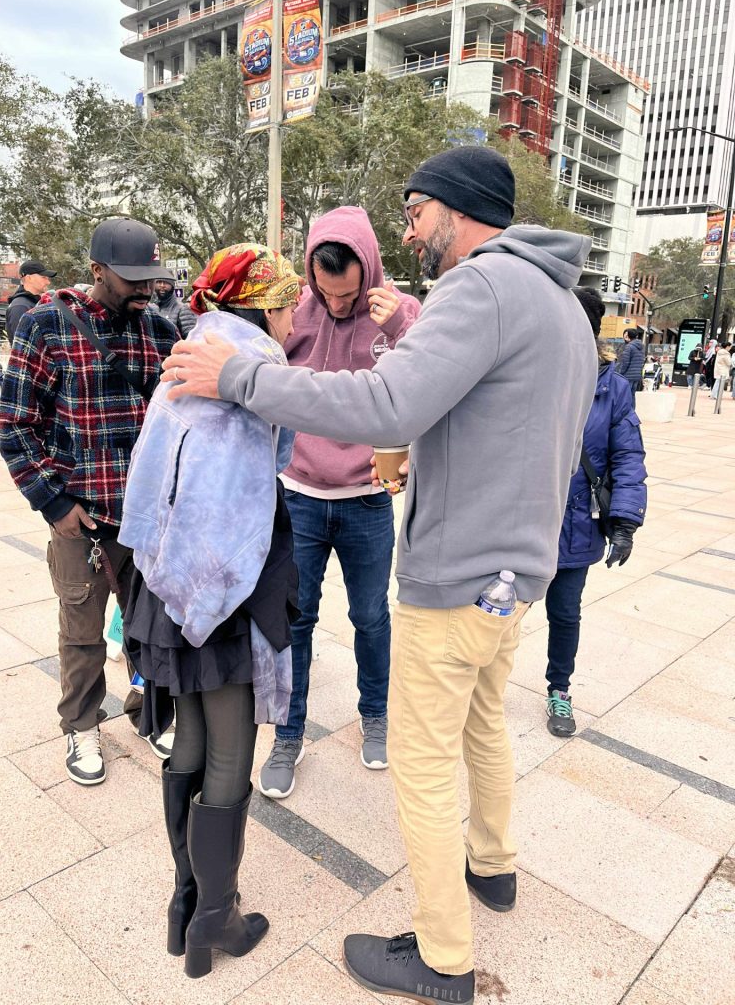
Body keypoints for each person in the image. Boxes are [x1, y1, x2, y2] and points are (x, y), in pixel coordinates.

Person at [158, 145, 597, 1004]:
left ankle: (442, 958)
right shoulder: (558, 300)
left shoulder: (479, 286)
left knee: (422, 761)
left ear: (457, 210)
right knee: (484, 726)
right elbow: (508, 423)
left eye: (416, 210)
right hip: (516, 573)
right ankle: (493, 866)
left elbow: (384, 401)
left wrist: (241, 376)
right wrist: (426, 455)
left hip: (458, 575)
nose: (409, 228)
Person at [118, 245, 301, 979]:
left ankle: (185, 906)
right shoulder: (251, 367)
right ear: (265, 305)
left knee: (190, 740)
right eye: (289, 303)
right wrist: (221, 590)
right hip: (220, 585)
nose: (295, 318)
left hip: (166, 578)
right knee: (228, 752)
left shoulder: (191, 352)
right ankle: (213, 921)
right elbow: (248, 485)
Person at [0, 219, 180, 786]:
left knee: (152, 627)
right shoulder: (45, 326)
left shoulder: (160, 331)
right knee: (81, 633)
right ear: (97, 270)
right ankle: (81, 724)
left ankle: (151, 713)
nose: (145, 289)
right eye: (132, 279)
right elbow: (17, 426)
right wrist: (54, 504)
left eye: (151, 277)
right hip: (83, 518)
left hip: (150, 521)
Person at [258, 207, 420, 800]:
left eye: (347, 295)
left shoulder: (397, 310)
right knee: (295, 619)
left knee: (370, 617)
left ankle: (375, 714)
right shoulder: (296, 307)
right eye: (325, 292)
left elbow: (431, 377)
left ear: (369, 270)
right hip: (299, 494)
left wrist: (400, 325)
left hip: (367, 498)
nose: (336, 304)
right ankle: (287, 734)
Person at [545, 287, 647, 737]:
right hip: (523, 521)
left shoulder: (613, 388)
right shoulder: (530, 373)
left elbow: (627, 456)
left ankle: (559, 688)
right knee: (499, 613)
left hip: (577, 523)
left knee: (565, 613)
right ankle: (481, 690)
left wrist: (624, 522)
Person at [5, 259, 57, 343]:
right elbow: (21, 344)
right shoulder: (20, 307)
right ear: (29, 278)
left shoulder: (32, 303)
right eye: (43, 277)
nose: (48, 282)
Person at [615, 327, 644, 406]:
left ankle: (625, 411)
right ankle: (632, 411)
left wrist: (620, 373)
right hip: (636, 376)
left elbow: (625, 363)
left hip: (628, 376)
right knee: (632, 395)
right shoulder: (641, 346)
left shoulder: (629, 347)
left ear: (628, 336)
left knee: (624, 396)